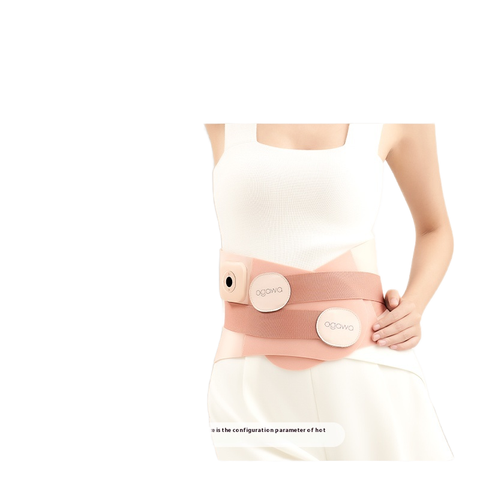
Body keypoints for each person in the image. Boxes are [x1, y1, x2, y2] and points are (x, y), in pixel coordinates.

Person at [204, 123, 454, 461]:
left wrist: (414, 305)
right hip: (247, 385)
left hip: (367, 371)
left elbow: (435, 228)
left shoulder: (400, 115)